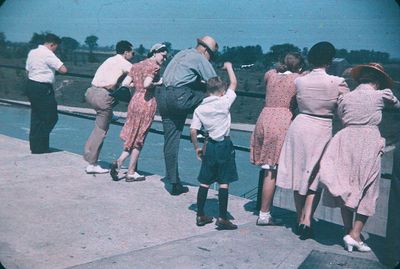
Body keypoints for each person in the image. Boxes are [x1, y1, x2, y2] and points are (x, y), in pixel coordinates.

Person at [318, 63, 400, 252]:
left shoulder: (346, 97)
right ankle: (355, 234)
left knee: (346, 184)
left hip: (346, 139)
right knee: (369, 188)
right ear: (377, 80)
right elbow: (397, 105)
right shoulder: (381, 95)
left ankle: (348, 231)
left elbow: (341, 115)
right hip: (368, 141)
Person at [276, 41, 350, 240]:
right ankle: (307, 217)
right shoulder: (338, 82)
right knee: (314, 175)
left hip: (299, 125)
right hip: (321, 128)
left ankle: (300, 217)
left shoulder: (300, 81)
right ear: (330, 60)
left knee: (299, 173)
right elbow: (346, 109)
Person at [156, 36, 218, 196]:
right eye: (212, 55)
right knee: (209, 98)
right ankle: (200, 130)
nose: (210, 59)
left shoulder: (181, 53)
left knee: (170, 140)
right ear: (205, 50)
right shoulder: (200, 58)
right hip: (179, 97)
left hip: (162, 96)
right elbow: (214, 83)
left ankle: (174, 182)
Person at [250, 52, 305, 226]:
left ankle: (264, 212)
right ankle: (265, 214)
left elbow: (271, 72)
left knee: (268, 168)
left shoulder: (271, 75)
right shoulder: (298, 78)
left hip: (264, 117)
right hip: (282, 119)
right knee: (272, 170)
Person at [190, 62, 238, 230]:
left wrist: (197, 147)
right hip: (224, 145)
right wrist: (229, 67)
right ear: (221, 92)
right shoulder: (224, 102)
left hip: (209, 145)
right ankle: (223, 218)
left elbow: (193, 130)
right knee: (224, 182)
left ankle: (200, 215)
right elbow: (234, 83)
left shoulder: (200, 108)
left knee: (205, 181)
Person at [110, 43, 167, 181]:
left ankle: (119, 162)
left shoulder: (137, 65)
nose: (164, 59)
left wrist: (137, 85)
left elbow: (125, 83)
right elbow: (148, 84)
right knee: (139, 138)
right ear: (154, 53)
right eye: (163, 56)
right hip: (146, 103)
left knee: (133, 134)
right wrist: (158, 83)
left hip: (135, 100)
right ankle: (130, 172)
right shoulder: (154, 67)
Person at [83, 40, 134, 174]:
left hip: (90, 93)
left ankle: (88, 155)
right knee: (100, 131)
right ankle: (92, 164)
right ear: (126, 52)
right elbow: (137, 73)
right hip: (103, 98)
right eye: (132, 53)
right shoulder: (125, 63)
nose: (133, 55)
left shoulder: (109, 60)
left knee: (98, 125)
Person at [25, 33, 68, 154]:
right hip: (43, 87)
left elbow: (28, 71)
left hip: (31, 84)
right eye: (56, 47)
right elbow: (64, 69)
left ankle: (36, 147)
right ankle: (40, 144)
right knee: (52, 117)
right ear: (52, 44)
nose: (56, 50)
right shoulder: (48, 54)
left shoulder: (32, 52)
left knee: (36, 116)